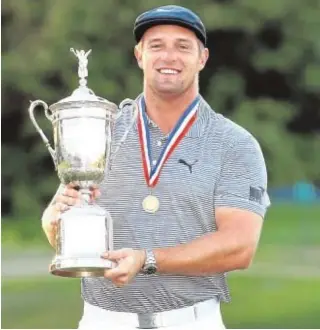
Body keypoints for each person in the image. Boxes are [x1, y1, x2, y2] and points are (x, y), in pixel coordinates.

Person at [41, 5, 271, 330]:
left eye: (182, 46)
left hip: (192, 321)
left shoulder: (233, 143)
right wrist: (55, 223)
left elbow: (239, 246)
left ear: (202, 58)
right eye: (157, 45)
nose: (169, 57)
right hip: (102, 321)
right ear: (139, 55)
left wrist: (147, 259)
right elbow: (64, 224)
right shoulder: (102, 130)